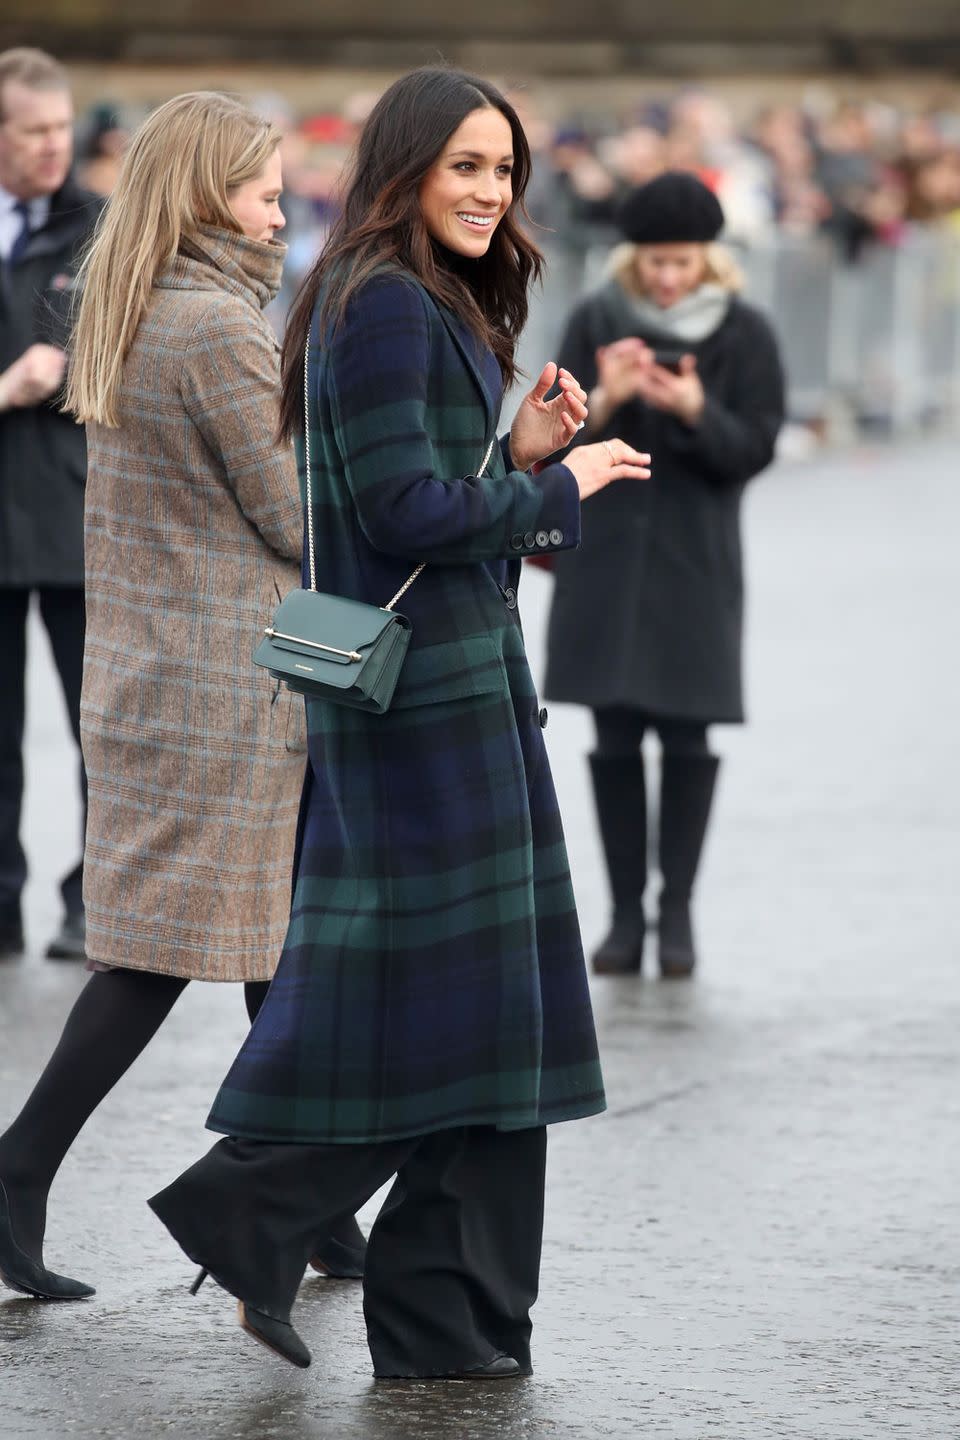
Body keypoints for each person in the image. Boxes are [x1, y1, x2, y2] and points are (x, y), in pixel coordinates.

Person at [148, 66, 650, 1380]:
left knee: (478, 1025)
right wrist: (555, 489)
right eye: (466, 167)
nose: (490, 192)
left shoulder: (409, 302)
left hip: (443, 686)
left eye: (504, 171)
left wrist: (520, 459)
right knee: (459, 1018)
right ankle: (262, 1215)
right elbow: (400, 517)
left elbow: (422, 496)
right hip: (422, 704)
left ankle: (443, 1322)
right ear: (407, 168)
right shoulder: (380, 306)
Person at [0, 91, 363, 1304]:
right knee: (164, 962)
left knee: (271, 951)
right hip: (227, 683)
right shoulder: (215, 326)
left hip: (161, 670)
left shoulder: (137, 298)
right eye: (265, 191)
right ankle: (19, 1171)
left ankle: (311, 1207)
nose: (282, 209)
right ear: (209, 194)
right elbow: (290, 515)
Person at [544, 171, 785, 979]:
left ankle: (675, 911)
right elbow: (543, 446)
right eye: (654, 262)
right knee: (613, 732)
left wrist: (691, 410)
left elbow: (752, 449)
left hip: (693, 559)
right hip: (608, 561)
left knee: (687, 730)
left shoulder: (745, 333)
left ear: (709, 260)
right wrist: (604, 402)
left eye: (682, 262)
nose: (668, 278)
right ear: (631, 260)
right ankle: (622, 917)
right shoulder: (596, 319)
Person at [0, 48, 101, 962]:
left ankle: (89, 901)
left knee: (96, 725)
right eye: (32, 130)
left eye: (61, 129)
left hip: (77, 519)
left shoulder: (99, 229)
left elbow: (137, 359)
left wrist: (73, 374)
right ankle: (0, 904)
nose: (51, 147)